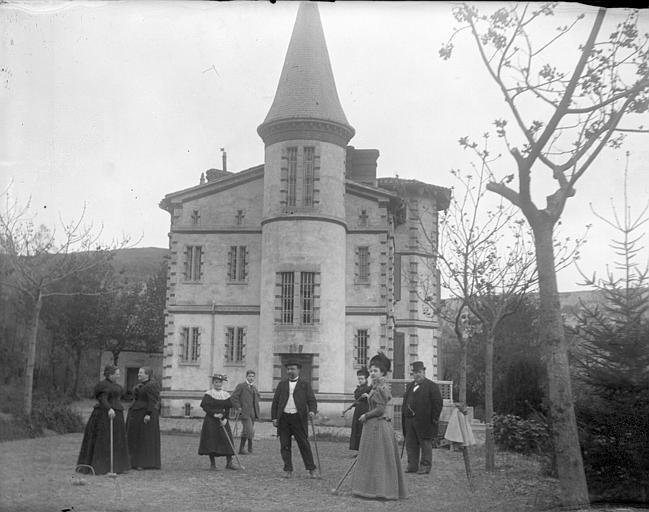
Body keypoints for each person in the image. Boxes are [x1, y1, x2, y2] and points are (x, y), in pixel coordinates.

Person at [351, 352, 407, 499]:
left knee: (379, 459)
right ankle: (370, 489)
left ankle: (381, 490)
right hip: (372, 426)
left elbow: (380, 409)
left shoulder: (381, 388)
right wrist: (367, 397)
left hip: (379, 427)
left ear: (383, 372)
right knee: (372, 458)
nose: (372, 373)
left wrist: (366, 415)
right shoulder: (376, 387)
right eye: (371, 371)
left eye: (375, 371)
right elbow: (376, 403)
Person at [77, 364, 130, 475]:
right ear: (110, 374)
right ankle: (102, 466)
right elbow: (103, 399)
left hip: (117, 415)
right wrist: (109, 408)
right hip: (104, 415)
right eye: (117, 373)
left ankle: (118, 466)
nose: (119, 375)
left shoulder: (116, 385)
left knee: (117, 439)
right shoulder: (103, 385)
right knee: (104, 439)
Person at [270, 359, 318, 478]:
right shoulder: (282, 384)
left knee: (304, 445)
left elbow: (312, 400)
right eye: (288, 369)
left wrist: (312, 411)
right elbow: (275, 402)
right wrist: (274, 418)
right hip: (284, 419)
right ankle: (288, 469)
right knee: (285, 445)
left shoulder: (304, 384)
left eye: (293, 369)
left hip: (298, 418)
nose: (290, 371)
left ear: (298, 370)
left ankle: (311, 469)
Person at [401, 361, 443, 474]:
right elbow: (405, 403)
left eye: (419, 372)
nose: (417, 375)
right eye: (415, 373)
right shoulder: (410, 386)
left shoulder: (432, 386)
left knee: (425, 444)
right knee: (411, 443)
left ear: (424, 372)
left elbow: (438, 403)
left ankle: (425, 466)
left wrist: (434, 418)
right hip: (410, 421)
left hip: (425, 422)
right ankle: (412, 465)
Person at [198, 374, 238, 470]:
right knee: (212, 441)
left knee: (227, 440)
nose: (218, 384)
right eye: (216, 382)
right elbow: (205, 406)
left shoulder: (226, 394)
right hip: (211, 421)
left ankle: (229, 463)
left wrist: (225, 418)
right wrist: (214, 414)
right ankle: (213, 464)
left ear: (222, 383)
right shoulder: (209, 394)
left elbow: (228, 408)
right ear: (213, 383)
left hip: (223, 421)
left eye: (220, 382)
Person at [126, 366, 161, 470]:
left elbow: (152, 401)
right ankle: (133, 462)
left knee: (144, 438)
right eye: (138, 373)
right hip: (136, 413)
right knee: (135, 437)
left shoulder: (152, 385)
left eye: (141, 373)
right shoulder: (140, 385)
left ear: (147, 374)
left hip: (145, 415)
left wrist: (148, 414)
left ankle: (144, 462)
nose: (138, 374)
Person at [230, 369, 261, 455]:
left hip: (253, 413)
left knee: (245, 431)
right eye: (249, 376)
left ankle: (241, 449)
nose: (251, 378)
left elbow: (257, 397)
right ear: (246, 377)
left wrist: (258, 397)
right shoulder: (241, 386)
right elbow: (233, 397)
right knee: (250, 431)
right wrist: (238, 407)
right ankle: (250, 448)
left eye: (253, 377)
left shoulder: (254, 387)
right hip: (245, 413)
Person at [342, 367, 371, 452]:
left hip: (365, 410)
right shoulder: (358, 389)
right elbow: (356, 400)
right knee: (356, 429)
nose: (360, 381)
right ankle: (358, 450)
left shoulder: (369, 389)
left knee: (363, 429)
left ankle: (364, 451)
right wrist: (350, 407)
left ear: (366, 379)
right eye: (359, 379)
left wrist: (368, 396)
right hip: (358, 410)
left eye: (362, 379)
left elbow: (372, 400)